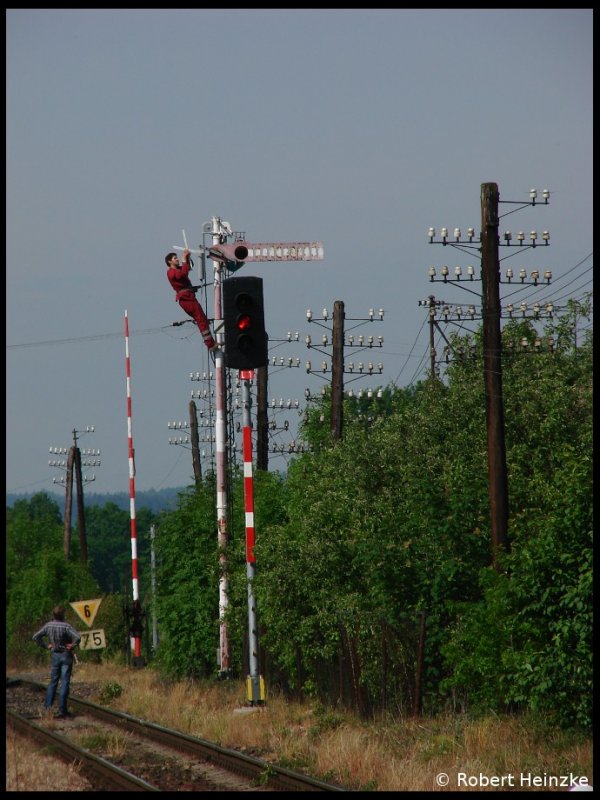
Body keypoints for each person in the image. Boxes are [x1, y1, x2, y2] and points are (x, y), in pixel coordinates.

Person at [32, 605, 81, 719]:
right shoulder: (66, 626)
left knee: (53, 681)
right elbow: (77, 637)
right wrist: (72, 645)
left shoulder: (48, 625)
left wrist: (46, 646)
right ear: (63, 615)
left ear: (53, 615)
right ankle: (62, 709)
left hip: (55, 655)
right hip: (66, 655)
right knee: (64, 682)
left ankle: (47, 707)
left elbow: (36, 637)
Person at [166, 249, 217, 351]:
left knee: (202, 318)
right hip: (186, 299)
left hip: (189, 297)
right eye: (175, 258)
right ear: (169, 262)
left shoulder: (177, 270)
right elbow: (183, 274)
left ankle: (211, 342)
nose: (177, 260)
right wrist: (185, 259)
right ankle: (210, 344)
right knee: (201, 319)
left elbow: (187, 268)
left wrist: (187, 258)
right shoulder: (171, 272)